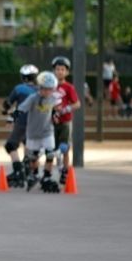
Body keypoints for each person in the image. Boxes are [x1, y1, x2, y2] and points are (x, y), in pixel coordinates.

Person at [18, 71, 61, 193]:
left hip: (47, 132)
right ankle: (35, 174)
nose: (47, 92)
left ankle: (47, 176)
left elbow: (55, 110)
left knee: (50, 154)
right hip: (33, 132)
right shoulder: (33, 98)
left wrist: (56, 115)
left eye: (50, 89)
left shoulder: (53, 98)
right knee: (33, 157)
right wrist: (12, 117)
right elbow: (22, 108)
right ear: (39, 87)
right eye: (45, 89)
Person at [0, 64, 38, 188]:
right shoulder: (40, 90)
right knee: (28, 145)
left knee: (10, 145)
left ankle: (18, 172)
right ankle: (28, 170)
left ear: (23, 77)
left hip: (22, 121)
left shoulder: (19, 88)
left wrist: (6, 110)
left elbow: (7, 104)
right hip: (37, 123)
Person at [51, 56, 80, 185]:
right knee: (53, 148)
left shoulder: (69, 87)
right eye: (57, 69)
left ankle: (65, 171)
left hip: (65, 122)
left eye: (63, 69)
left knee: (65, 148)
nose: (60, 72)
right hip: (51, 122)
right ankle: (54, 170)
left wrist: (65, 109)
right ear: (54, 71)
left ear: (67, 72)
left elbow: (77, 104)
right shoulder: (49, 86)